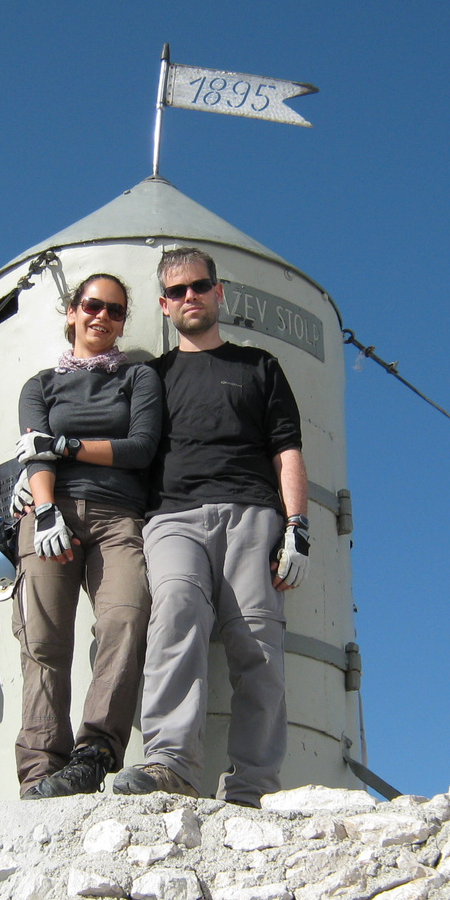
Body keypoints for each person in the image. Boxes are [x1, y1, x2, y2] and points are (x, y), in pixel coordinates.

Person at [112, 248, 310, 807]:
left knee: (258, 643)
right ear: (163, 305)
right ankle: (170, 763)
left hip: (253, 514)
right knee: (174, 611)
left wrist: (298, 526)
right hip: (172, 516)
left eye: (199, 286)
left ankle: (252, 787)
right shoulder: (149, 378)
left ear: (218, 292)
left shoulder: (259, 366)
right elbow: (122, 444)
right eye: (176, 292)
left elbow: (287, 449)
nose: (189, 297)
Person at [12, 274, 163, 798]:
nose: (102, 317)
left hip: (118, 515)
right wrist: (47, 507)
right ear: (72, 311)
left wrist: (66, 443)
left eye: (116, 311)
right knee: (43, 639)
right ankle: (38, 770)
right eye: (93, 306)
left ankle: (95, 752)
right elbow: (34, 448)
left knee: (126, 617)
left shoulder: (138, 378)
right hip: (50, 510)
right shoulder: (40, 385)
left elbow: (140, 448)